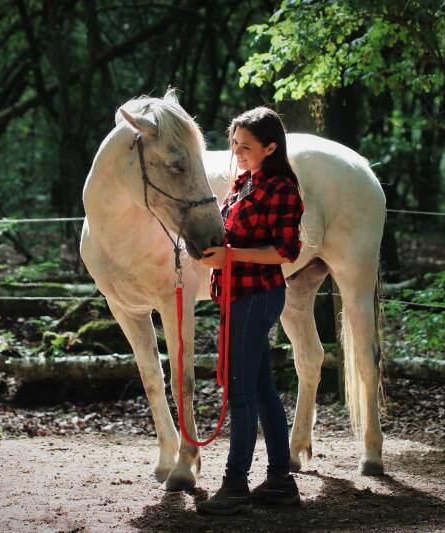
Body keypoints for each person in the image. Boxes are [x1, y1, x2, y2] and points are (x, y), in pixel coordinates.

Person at [197, 107, 304, 515]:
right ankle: (280, 480)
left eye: (245, 146)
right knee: (260, 390)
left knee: (239, 393)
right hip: (237, 295)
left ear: (270, 148)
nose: (236, 152)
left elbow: (285, 252)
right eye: (234, 143)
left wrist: (230, 256)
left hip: (256, 296)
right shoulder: (245, 182)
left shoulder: (282, 189)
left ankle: (236, 485)